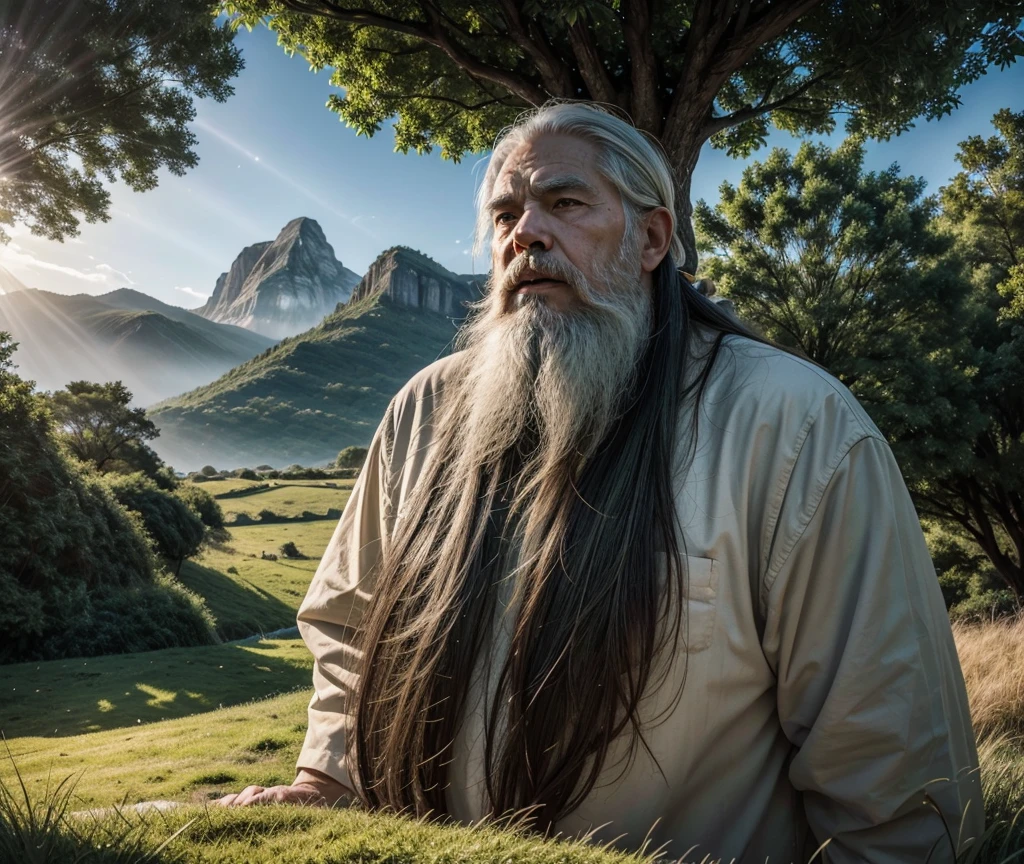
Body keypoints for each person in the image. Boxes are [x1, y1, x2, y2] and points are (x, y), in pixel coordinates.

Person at [218, 102, 984, 863]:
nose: (526, 234)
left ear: (652, 238)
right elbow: (352, 628)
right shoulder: (423, 410)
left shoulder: (793, 426)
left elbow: (889, 762)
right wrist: (327, 777)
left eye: (565, 202)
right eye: (507, 214)